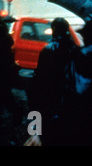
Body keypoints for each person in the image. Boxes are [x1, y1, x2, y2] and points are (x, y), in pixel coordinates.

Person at [25, 18, 92, 146]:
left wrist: (34, 132)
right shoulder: (76, 51)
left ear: (54, 30)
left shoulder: (49, 50)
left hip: (54, 103)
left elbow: (37, 92)